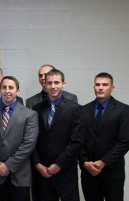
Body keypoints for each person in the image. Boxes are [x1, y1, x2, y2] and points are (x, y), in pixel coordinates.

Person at [0, 76, 38, 201]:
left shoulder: (30, 114)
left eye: (11, 87)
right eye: (4, 87)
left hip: (20, 177)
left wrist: (8, 165)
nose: (7, 91)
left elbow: (28, 144)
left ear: (18, 91)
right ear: (0, 90)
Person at [78, 72, 129, 201]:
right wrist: (85, 162)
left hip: (112, 172)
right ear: (93, 87)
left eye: (105, 84)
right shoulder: (83, 110)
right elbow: (78, 139)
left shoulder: (123, 109)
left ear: (112, 88)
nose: (100, 88)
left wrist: (103, 162)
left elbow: (125, 141)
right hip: (89, 172)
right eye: (97, 84)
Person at [31, 69, 83, 201]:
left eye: (56, 83)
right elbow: (32, 139)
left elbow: (76, 141)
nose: (53, 86)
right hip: (43, 172)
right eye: (50, 83)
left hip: (65, 170)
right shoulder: (36, 108)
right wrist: (37, 164)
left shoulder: (75, 109)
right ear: (45, 85)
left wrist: (58, 164)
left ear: (63, 84)